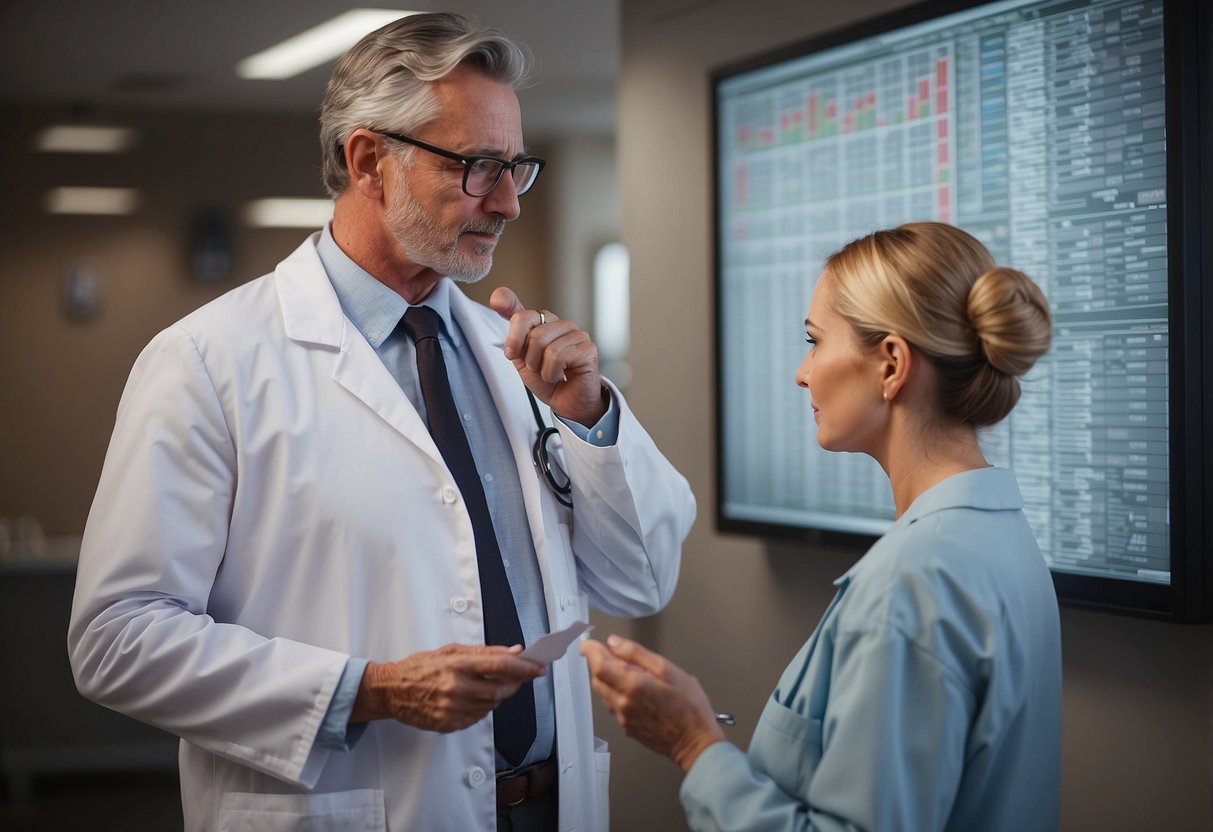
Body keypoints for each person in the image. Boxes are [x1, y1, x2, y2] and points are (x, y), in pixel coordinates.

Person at [67, 12, 695, 832]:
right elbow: (117, 639)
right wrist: (369, 690)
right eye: (476, 167)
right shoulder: (209, 361)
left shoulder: (514, 359)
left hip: (550, 806)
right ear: (369, 161)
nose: (506, 202)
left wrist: (589, 419)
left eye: (514, 167)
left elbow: (642, 578)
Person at [582, 221, 1060, 831]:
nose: (801, 374)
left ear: (891, 364)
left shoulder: (909, 586)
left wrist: (693, 744)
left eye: (814, 341)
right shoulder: (1003, 536)